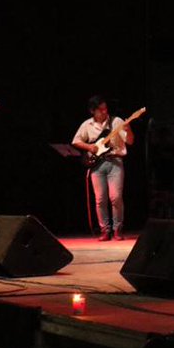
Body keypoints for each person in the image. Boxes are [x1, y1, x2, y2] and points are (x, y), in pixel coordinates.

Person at [72, 96, 134, 241]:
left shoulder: (116, 121)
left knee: (116, 197)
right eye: (100, 109)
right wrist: (89, 147)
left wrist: (128, 129)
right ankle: (105, 230)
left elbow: (130, 141)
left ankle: (117, 229)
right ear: (92, 111)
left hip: (115, 161)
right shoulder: (87, 124)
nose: (104, 111)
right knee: (100, 199)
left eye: (105, 108)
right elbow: (76, 141)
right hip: (97, 164)